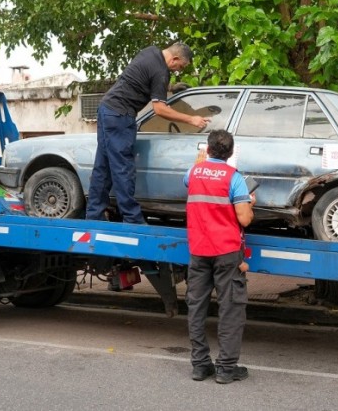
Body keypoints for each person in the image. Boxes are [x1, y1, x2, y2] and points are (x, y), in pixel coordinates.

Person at [85, 42, 210, 224]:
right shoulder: (161, 72)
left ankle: (94, 215)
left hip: (107, 109)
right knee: (123, 168)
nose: (178, 71)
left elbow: (141, 79)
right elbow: (160, 109)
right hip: (120, 115)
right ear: (174, 59)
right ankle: (132, 218)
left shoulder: (150, 52)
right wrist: (191, 119)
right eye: (180, 66)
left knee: (103, 167)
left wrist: (169, 87)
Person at [184, 129, 255, 384]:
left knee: (196, 306)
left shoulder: (192, 172)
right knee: (231, 309)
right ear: (231, 153)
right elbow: (244, 218)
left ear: (208, 149)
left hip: (199, 250)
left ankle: (200, 365)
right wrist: (249, 202)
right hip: (226, 252)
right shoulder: (235, 178)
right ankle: (225, 368)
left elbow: (191, 183)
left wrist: (200, 163)